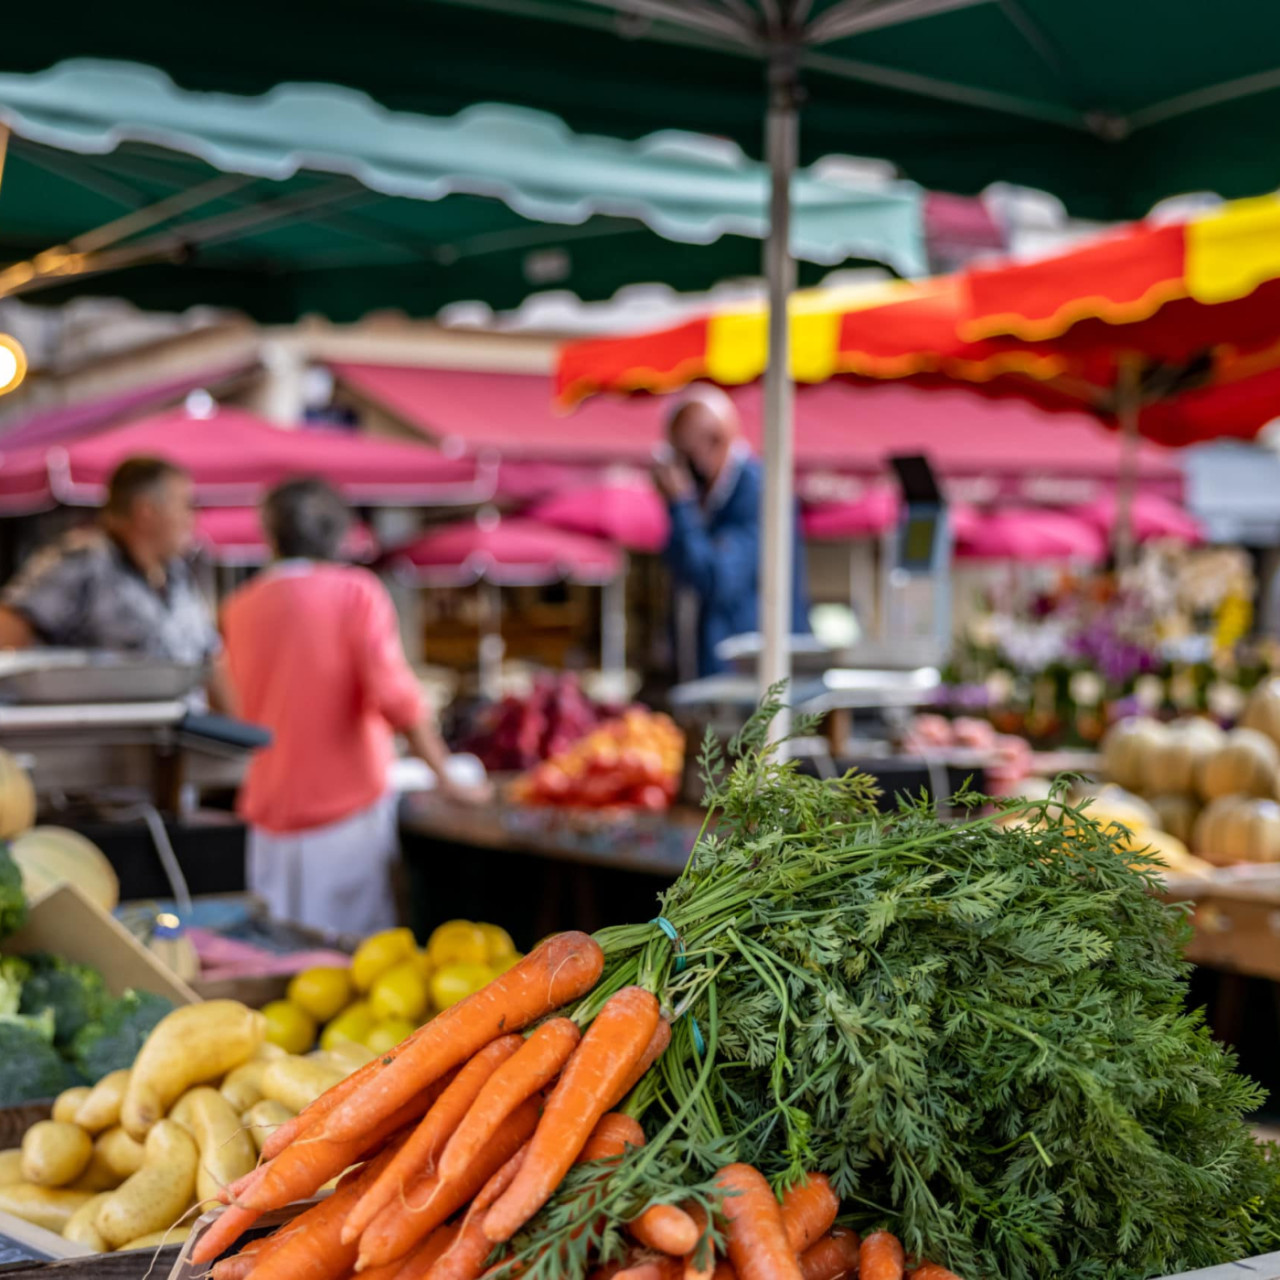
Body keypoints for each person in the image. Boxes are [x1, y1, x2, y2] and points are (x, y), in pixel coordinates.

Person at [221, 478, 490, 935]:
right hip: (343, 812)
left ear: (271, 535)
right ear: (340, 533)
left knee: (281, 959)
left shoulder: (239, 606)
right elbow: (396, 697)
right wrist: (446, 777)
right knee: (352, 965)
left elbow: (234, 705)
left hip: (268, 812)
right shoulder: (355, 592)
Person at [0, 456, 229, 705]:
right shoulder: (81, 560)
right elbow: (9, 630)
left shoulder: (176, 573)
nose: (192, 518)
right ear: (146, 511)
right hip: (105, 737)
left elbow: (211, 666)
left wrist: (240, 739)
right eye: (186, 505)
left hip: (186, 737)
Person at [652, 385, 809, 677]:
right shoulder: (705, 500)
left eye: (683, 454)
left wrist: (681, 506)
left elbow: (716, 579)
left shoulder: (758, 492)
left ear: (715, 441)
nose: (677, 468)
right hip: (709, 676)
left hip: (752, 680)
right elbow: (678, 569)